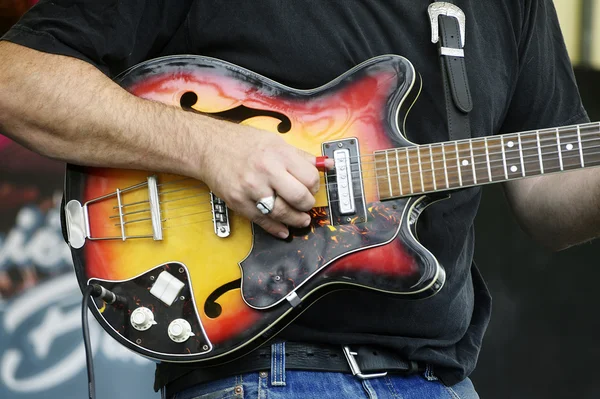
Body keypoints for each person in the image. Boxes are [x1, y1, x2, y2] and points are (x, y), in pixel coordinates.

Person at [0, 1, 595, 398]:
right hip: (267, 374)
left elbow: (545, 199)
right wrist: (209, 148)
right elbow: (14, 78)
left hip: (438, 378)